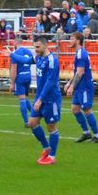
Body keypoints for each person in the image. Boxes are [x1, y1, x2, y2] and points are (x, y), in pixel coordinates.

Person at [28, 36, 62, 165]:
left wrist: (40, 99)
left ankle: (52, 157)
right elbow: (26, 60)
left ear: (45, 45)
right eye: (34, 47)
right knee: (32, 123)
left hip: (51, 98)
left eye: (37, 47)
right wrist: (12, 55)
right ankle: (46, 147)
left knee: (51, 127)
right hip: (40, 96)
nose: (35, 49)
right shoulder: (38, 57)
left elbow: (51, 82)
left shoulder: (52, 60)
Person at [64, 32, 98, 143]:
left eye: (72, 39)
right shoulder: (78, 53)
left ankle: (97, 135)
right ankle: (86, 133)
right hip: (80, 86)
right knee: (75, 109)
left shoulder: (81, 54)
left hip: (85, 86)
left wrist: (72, 87)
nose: (70, 41)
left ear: (78, 41)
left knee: (87, 110)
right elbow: (77, 72)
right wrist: (69, 83)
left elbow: (80, 72)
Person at [5, 36, 35, 127]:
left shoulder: (15, 53)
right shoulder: (28, 52)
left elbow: (14, 70)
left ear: (15, 42)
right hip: (28, 75)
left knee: (22, 99)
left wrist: (12, 83)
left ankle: (26, 122)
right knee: (24, 97)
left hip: (20, 76)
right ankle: (35, 116)